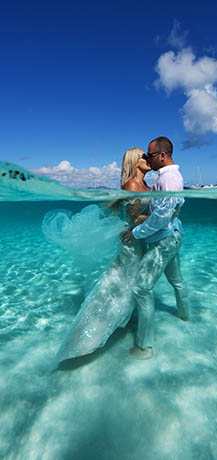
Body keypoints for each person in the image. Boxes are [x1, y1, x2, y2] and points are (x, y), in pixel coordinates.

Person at [55, 147, 151, 362]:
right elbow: (135, 219)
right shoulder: (133, 184)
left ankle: (124, 320)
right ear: (135, 162)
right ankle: (92, 333)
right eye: (144, 156)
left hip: (139, 239)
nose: (148, 159)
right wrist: (163, 218)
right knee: (122, 282)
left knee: (127, 281)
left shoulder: (145, 185)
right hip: (131, 241)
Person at [122, 136, 190, 360]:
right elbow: (164, 211)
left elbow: (160, 218)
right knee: (177, 280)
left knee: (141, 288)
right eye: (145, 157)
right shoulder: (165, 177)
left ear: (162, 155)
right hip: (171, 235)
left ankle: (144, 347)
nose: (148, 160)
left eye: (150, 155)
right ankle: (184, 315)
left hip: (165, 239)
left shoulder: (168, 178)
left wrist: (135, 232)